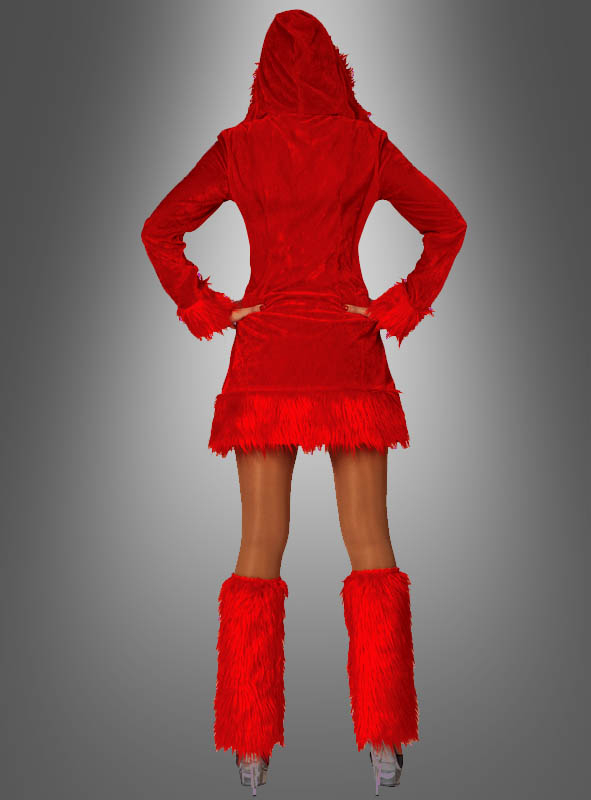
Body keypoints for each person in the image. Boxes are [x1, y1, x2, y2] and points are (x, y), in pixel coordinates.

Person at [141, 9, 467, 796]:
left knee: (258, 545)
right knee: (371, 543)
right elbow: (447, 225)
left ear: (263, 72)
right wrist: (394, 307)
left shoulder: (239, 147)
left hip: (266, 359)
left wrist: (211, 308)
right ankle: (384, 739)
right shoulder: (365, 144)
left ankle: (250, 745)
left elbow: (159, 230)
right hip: (348, 356)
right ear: (335, 69)